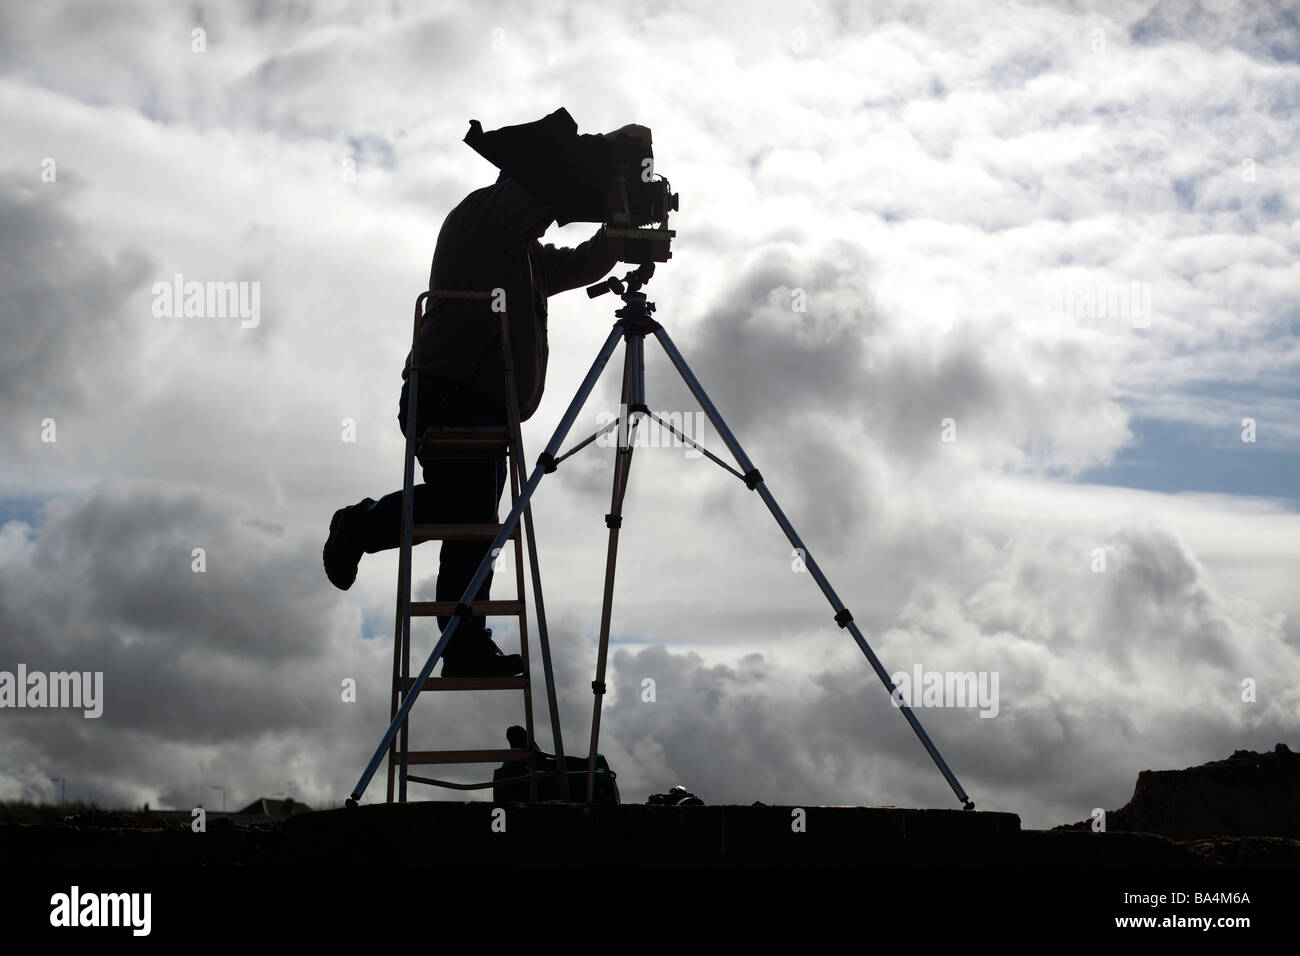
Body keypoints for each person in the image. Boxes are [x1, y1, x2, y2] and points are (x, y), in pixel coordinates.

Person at [324, 121, 650, 678]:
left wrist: (625, 223)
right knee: (469, 515)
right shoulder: (480, 220)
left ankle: (463, 643)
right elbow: (541, 189)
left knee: (472, 526)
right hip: (447, 395)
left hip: (481, 406)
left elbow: (582, 262)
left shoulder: (521, 254)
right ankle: (361, 527)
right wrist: (607, 157)